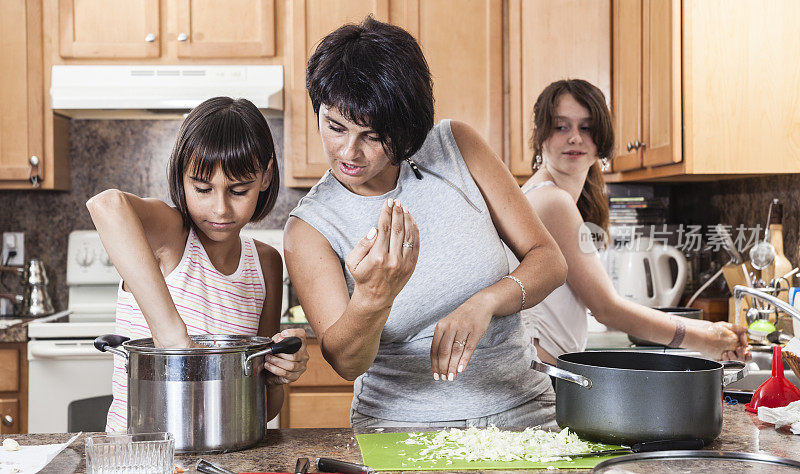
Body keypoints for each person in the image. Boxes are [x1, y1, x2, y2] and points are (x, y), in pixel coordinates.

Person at [284, 17, 568, 429]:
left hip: (525, 410)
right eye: (335, 127)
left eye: (373, 135)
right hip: (403, 429)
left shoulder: (456, 146)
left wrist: (485, 303)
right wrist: (373, 296)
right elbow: (346, 363)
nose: (349, 151)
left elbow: (549, 261)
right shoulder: (309, 227)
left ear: (405, 127)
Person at [86, 97, 309, 432]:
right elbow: (105, 205)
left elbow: (263, 410)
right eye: (202, 189)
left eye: (238, 190)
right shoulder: (170, 234)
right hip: (139, 456)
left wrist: (280, 374)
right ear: (182, 178)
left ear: (265, 177)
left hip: (222, 457)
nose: (220, 209)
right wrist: (174, 340)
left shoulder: (265, 264)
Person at [514, 79, 750, 364]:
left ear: (602, 139)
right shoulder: (552, 201)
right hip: (541, 378)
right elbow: (607, 308)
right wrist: (703, 337)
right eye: (560, 126)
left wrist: (707, 332)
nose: (574, 137)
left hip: (541, 372)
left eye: (586, 127)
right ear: (540, 136)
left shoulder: (547, 195)